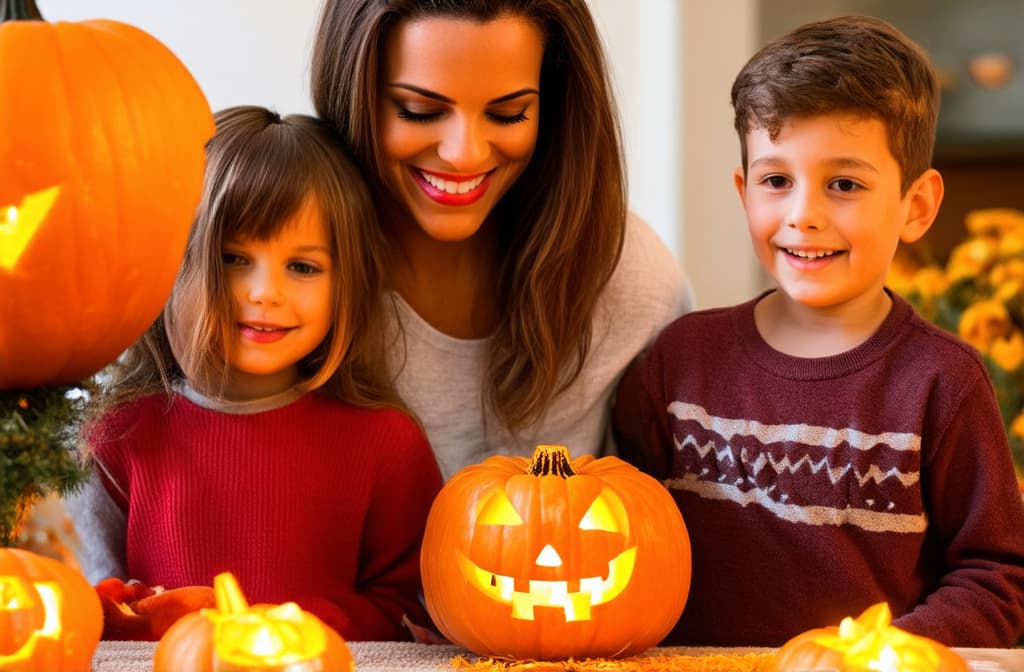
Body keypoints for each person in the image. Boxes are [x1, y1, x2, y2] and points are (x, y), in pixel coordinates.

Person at [613, 15, 1024, 648]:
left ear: (916, 206)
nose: (803, 215)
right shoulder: (678, 361)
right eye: (777, 180)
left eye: (843, 184)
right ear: (744, 190)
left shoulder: (943, 383)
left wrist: (875, 656)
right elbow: (617, 535)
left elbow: (997, 579)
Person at [67, 106, 444, 642]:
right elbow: (85, 616)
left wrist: (267, 626)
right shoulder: (118, 437)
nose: (265, 291)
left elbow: (413, 614)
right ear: (168, 265)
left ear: (348, 286)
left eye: (303, 267)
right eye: (233, 258)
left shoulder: (388, 444)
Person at [309, 0, 694, 480]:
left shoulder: (632, 278)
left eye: (509, 114)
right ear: (351, 90)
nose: (463, 153)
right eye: (420, 110)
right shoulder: (277, 274)